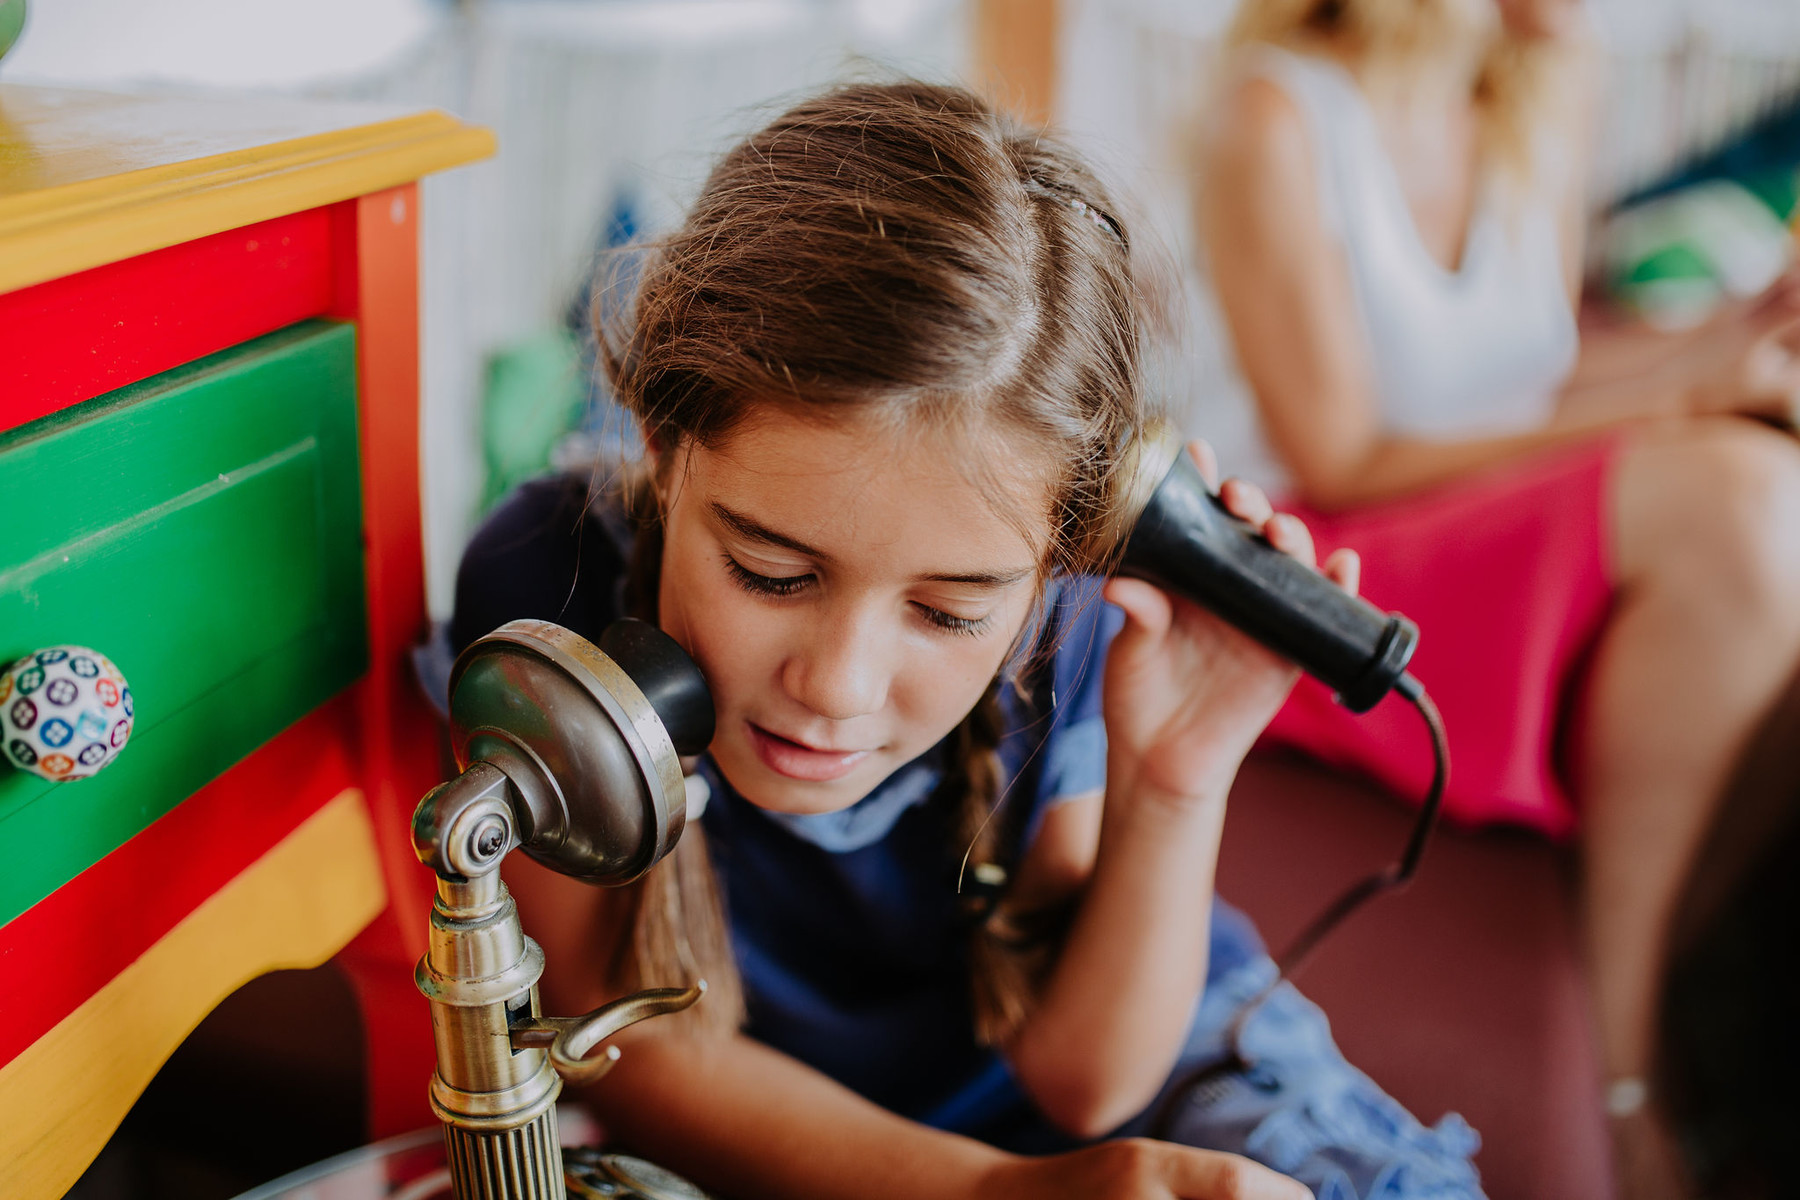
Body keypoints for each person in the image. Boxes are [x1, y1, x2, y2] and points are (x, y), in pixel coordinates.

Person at [448, 82, 1488, 1200]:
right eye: (772, 573)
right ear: (659, 438)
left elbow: (1089, 1084)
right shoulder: (542, 582)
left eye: (948, 614)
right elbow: (617, 1034)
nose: (837, 686)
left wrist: (1176, 783)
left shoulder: (1074, 622)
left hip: (1167, 1078)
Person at [1188, 1, 1800, 1194]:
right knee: (1738, 497)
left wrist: (1734, 340)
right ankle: (1637, 1083)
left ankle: (1734, 1046)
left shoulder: (1538, 92)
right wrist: (1682, 393)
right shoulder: (1271, 115)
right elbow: (1347, 451)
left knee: (1767, 472)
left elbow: (1538, 372)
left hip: (1471, 508)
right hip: (1324, 550)